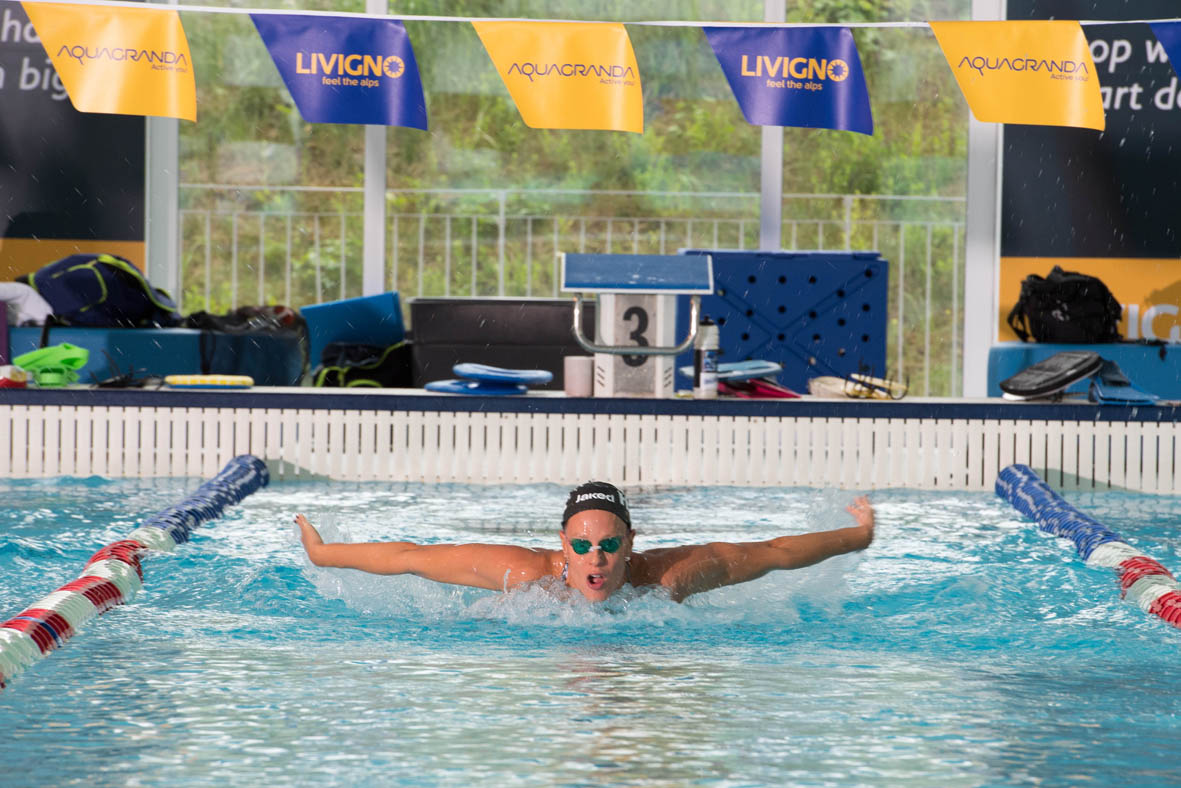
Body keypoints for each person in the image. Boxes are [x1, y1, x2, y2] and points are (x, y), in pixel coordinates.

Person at [295, 481, 875, 603]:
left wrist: (856, 535)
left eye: (608, 546)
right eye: (580, 547)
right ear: (562, 545)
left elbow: (775, 552)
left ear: (631, 543)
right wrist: (323, 554)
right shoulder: (526, 576)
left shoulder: (670, 576)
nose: (594, 560)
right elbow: (411, 559)